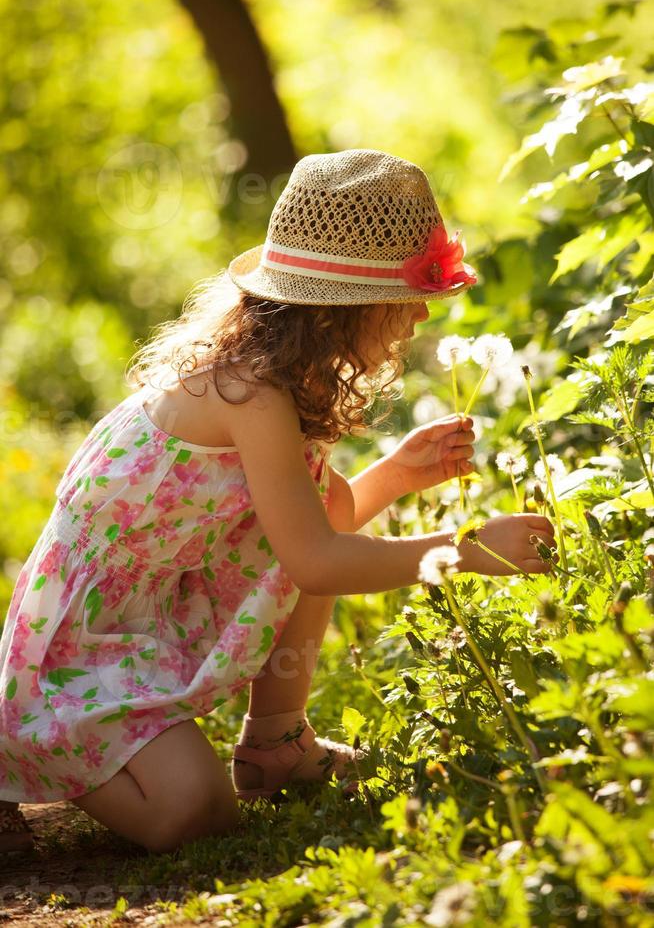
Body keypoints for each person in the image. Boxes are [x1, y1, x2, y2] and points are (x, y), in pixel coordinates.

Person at [0, 149, 556, 855]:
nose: (420, 313)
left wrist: (393, 476)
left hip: (150, 616)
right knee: (193, 811)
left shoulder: (273, 380)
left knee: (324, 497)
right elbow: (317, 561)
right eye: (408, 294)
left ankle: (278, 741)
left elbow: (316, 529)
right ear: (343, 308)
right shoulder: (248, 390)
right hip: (79, 643)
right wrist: (468, 550)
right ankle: (26, 742)